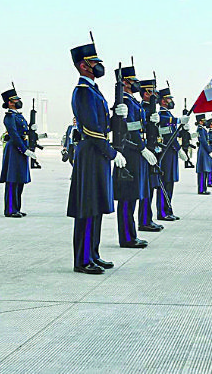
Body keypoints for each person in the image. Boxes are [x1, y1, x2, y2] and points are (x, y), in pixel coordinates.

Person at [67, 39, 124, 274]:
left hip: (96, 154)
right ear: (84, 66)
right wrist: (111, 152)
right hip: (90, 154)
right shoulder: (82, 92)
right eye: (95, 63)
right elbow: (90, 129)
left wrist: (117, 116)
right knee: (88, 207)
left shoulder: (93, 91)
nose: (100, 67)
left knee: (97, 206)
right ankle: (82, 259)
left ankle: (94, 253)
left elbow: (103, 126)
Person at [111, 64, 151, 249]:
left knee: (133, 196)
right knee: (128, 197)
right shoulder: (125, 101)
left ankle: (131, 235)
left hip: (136, 152)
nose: (137, 84)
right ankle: (127, 237)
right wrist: (142, 148)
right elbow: (132, 129)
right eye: (134, 81)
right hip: (131, 152)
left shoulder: (133, 101)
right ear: (125, 83)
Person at [0, 87, 36, 218]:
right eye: (16, 100)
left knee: (19, 180)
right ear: (9, 102)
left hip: (20, 148)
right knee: (12, 180)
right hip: (15, 149)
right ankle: (10, 209)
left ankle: (17, 208)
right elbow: (14, 135)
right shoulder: (9, 117)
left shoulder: (18, 115)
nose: (19, 101)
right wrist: (24, 150)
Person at [155, 87, 190, 221]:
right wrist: (179, 148)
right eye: (169, 99)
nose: (170, 101)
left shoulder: (168, 115)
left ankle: (168, 209)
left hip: (171, 153)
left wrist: (184, 130)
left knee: (170, 182)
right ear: (163, 101)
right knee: (165, 182)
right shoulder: (162, 114)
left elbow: (175, 133)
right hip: (166, 153)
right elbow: (169, 135)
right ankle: (163, 212)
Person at [138, 79, 165, 232]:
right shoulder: (142, 108)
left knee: (152, 186)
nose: (155, 94)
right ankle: (144, 220)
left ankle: (148, 218)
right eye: (152, 91)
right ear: (146, 93)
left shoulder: (152, 109)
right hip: (146, 152)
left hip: (154, 150)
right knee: (147, 188)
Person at [195, 114, 212, 194]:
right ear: (200, 121)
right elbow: (203, 141)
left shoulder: (203, 129)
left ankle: (204, 188)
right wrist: (209, 151)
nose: (205, 121)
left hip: (204, 150)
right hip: (203, 150)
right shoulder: (200, 129)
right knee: (203, 170)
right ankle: (201, 189)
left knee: (205, 170)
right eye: (204, 120)